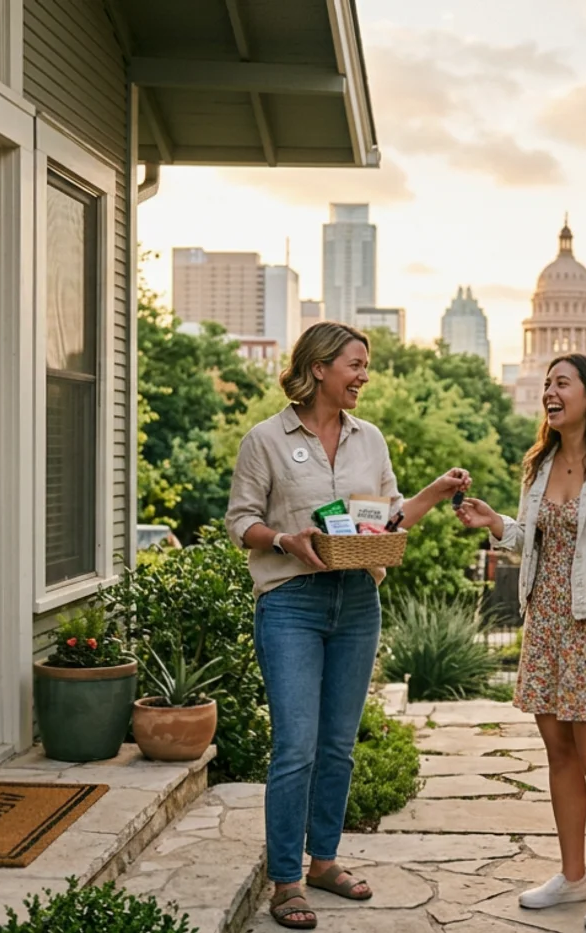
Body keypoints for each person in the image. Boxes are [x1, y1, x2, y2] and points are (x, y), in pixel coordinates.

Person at [227, 322, 470, 930]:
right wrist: (286, 538)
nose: (364, 376)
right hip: (291, 603)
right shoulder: (266, 440)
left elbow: (384, 517)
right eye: (355, 365)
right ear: (318, 369)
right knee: (295, 747)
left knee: (338, 745)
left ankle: (324, 861)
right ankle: (285, 880)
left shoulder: (371, 440)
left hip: (358, 600)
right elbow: (241, 522)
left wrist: (435, 493)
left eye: (365, 366)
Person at [457, 354, 586, 931]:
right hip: (545, 622)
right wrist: (496, 523)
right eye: (547, 383)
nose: (550, 391)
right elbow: (533, 539)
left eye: (561, 383)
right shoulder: (539, 464)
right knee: (559, 755)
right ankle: (574, 877)